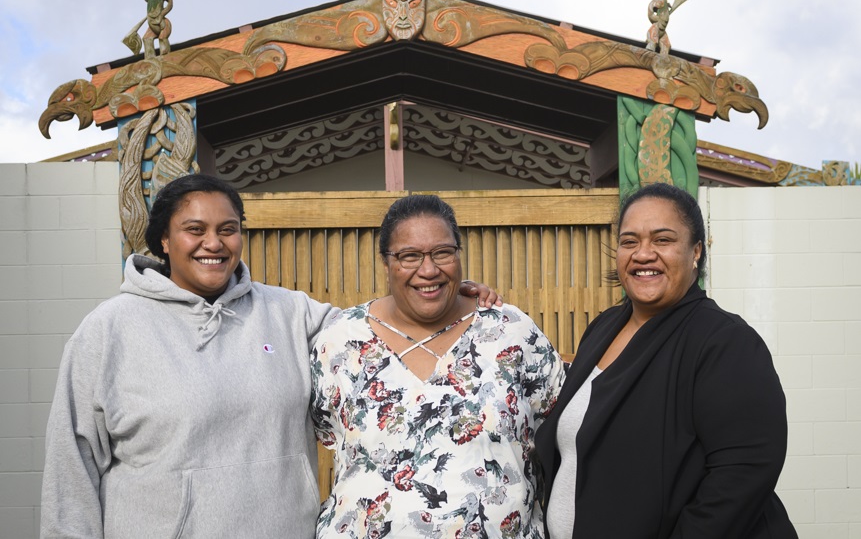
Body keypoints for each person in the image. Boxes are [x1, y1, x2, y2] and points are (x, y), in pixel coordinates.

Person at [40, 174, 501, 538]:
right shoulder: (108, 331)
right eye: (194, 230)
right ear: (163, 239)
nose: (213, 243)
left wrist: (444, 295)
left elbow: (379, 328)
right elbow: (71, 469)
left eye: (228, 229)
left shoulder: (289, 313)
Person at [534, 182, 797, 538]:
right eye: (630, 241)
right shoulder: (603, 328)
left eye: (663, 240)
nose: (643, 254)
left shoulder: (723, 341)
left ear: (696, 252)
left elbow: (742, 474)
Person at [311, 194, 564, 538]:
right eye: (409, 256)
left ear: (459, 256)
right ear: (385, 263)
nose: (428, 270)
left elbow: (563, 431)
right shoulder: (339, 343)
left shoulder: (511, 333)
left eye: (442, 252)